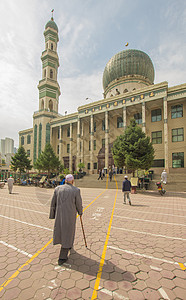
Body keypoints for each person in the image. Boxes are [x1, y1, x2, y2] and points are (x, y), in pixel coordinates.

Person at [49, 174, 83, 265]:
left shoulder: (58, 189)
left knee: (61, 231)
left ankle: (69, 245)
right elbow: (79, 203)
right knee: (68, 232)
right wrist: (80, 212)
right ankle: (62, 256)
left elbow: (53, 203)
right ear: (72, 181)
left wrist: (52, 214)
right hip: (70, 215)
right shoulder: (76, 190)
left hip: (59, 215)